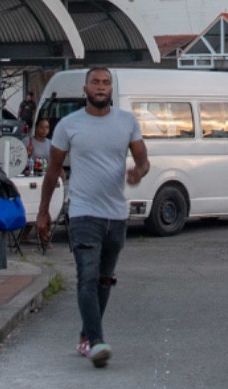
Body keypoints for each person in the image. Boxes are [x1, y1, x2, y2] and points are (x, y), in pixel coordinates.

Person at [36, 67, 148, 369]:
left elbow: (143, 159)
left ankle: (86, 336)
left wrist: (138, 171)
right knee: (86, 275)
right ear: (85, 89)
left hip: (116, 214)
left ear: (111, 89)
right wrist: (44, 210)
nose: (101, 87)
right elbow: (52, 171)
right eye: (95, 82)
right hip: (84, 212)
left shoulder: (127, 122)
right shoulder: (69, 125)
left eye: (106, 83)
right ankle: (97, 341)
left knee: (103, 279)